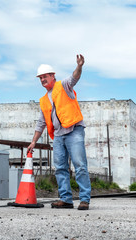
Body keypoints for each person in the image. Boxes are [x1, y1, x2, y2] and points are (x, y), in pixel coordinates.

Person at [27, 54, 91, 210]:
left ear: (52, 76)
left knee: (80, 165)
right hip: (58, 135)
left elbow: (74, 78)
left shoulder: (64, 85)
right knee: (60, 168)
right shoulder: (43, 100)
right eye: (40, 78)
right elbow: (41, 122)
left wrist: (79, 66)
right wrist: (34, 141)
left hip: (74, 130)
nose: (42, 79)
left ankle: (84, 199)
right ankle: (66, 199)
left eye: (45, 76)